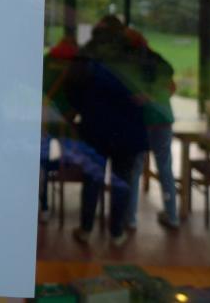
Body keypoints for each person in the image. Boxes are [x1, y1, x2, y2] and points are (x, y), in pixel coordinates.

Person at [65, 16, 148, 247]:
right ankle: (117, 232)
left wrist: (84, 108)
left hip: (95, 128)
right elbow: (149, 84)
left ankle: (85, 229)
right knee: (122, 181)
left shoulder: (87, 54)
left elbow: (71, 88)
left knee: (92, 179)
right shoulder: (134, 54)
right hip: (128, 130)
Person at [124, 28, 179, 230]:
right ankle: (172, 215)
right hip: (163, 119)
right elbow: (172, 87)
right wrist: (156, 97)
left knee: (135, 170)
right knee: (165, 168)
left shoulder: (126, 63)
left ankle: (130, 218)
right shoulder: (159, 61)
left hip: (140, 121)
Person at [39, 36, 78, 223]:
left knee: (42, 162)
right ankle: (61, 171)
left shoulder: (47, 61)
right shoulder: (77, 65)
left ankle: (44, 206)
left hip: (45, 119)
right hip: (66, 122)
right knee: (65, 159)